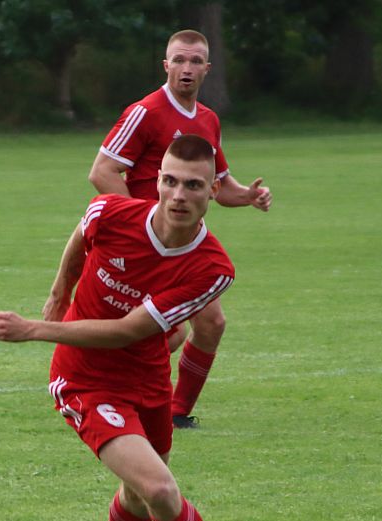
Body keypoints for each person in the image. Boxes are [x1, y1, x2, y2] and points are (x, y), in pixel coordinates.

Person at [0, 135, 289, 521]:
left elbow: (131, 331)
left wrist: (34, 329)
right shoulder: (109, 212)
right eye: (168, 181)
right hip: (83, 377)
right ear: (156, 182)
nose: (177, 195)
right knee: (162, 490)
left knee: (140, 493)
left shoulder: (213, 268)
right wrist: (58, 294)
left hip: (147, 380)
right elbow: (80, 240)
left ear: (213, 190)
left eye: (193, 185)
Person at [88, 29, 272, 429]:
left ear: (207, 69)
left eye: (195, 62)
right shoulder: (145, 112)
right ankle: (107, 392)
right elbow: (103, 171)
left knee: (208, 323)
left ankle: (175, 411)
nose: (186, 69)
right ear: (166, 65)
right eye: (179, 61)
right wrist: (140, 226)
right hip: (145, 244)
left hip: (183, 244)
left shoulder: (208, 119)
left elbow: (221, 186)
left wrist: (250, 196)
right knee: (161, 335)